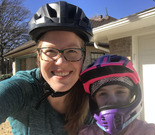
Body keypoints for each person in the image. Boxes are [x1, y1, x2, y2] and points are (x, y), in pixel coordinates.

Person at [0, 1, 93, 135]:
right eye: (50, 51)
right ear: (38, 56)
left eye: (72, 51)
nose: (61, 62)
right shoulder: (22, 89)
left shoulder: (92, 95)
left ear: (82, 56)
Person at [79, 55, 155, 135]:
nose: (112, 100)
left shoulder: (149, 132)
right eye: (103, 93)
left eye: (120, 92)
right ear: (94, 99)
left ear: (132, 94)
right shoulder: (86, 133)